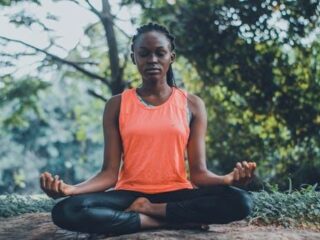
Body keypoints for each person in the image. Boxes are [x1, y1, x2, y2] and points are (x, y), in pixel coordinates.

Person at [39, 22, 257, 236]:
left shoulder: (192, 104)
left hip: (176, 194)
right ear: (134, 57)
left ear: (171, 57)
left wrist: (228, 180)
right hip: (128, 195)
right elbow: (108, 174)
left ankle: (150, 212)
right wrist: (71, 190)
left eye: (160, 53)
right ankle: (164, 222)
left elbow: (199, 175)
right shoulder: (116, 105)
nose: (152, 59)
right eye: (144, 53)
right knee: (67, 210)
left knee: (240, 201)